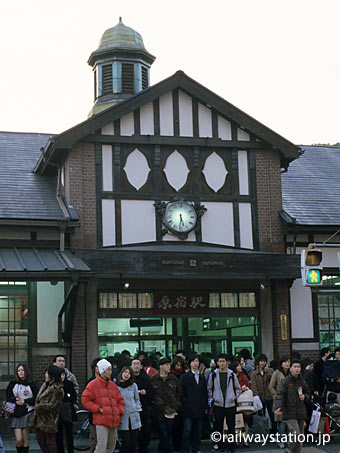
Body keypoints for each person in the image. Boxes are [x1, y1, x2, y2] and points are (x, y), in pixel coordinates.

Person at [82, 359, 125, 453]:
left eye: (110, 369)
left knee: (111, 446)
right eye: (108, 369)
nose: (111, 372)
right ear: (102, 370)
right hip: (101, 420)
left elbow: (120, 400)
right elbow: (85, 400)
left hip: (114, 419)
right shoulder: (92, 384)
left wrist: (119, 410)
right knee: (101, 447)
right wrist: (98, 409)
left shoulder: (113, 385)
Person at [207, 354, 241, 453]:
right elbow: (209, 388)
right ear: (217, 363)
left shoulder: (232, 374)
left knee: (231, 426)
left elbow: (238, 388)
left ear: (227, 362)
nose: (222, 363)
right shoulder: (213, 374)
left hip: (230, 404)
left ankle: (231, 445)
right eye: (220, 361)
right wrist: (213, 398)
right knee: (218, 426)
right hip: (218, 404)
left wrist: (234, 397)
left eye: (223, 361)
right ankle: (219, 444)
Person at [275, 359, 310, 453]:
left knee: (300, 438)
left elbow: (308, 394)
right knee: (297, 435)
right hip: (289, 411)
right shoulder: (285, 381)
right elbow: (280, 395)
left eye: (298, 367)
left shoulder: (302, 381)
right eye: (294, 367)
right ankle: (290, 450)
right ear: (290, 369)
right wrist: (279, 406)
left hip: (301, 411)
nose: (297, 369)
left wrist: (305, 397)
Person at [30, 365, 64, 453]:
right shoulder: (45, 385)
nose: (45, 375)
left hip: (49, 419)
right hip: (39, 419)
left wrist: (39, 407)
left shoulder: (58, 389)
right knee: (41, 441)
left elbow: (53, 405)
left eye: (47, 373)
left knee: (50, 442)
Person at [150, 357, 181, 453]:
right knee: (163, 434)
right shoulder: (153, 379)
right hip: (158, 410)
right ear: (160, 366)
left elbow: (178, 393)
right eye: (166, 365)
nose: (169, 367)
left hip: (171, 410)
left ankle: (163, 449)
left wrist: (176, 405)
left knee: (168, 433)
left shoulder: (173, 379)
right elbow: (151, 394)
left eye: (169, 364)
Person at [6, 363, 39, 453]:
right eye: (19, 371)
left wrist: (25, 401)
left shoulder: (32, 384)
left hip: (28, 412)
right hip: (16, 413)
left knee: (25, 439)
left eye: (22, 370)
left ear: (26, 371)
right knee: (18, 440)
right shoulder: (13, 384)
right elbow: (8, 397)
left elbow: (37, 398)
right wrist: (15, 399)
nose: (21, 372)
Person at [180, 354, 208, 453]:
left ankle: (196, 449)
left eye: (197, 361)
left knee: (198, 432)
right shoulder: (185, 377)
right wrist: (184, 405)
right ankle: (185, 450)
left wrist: (205, 407)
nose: (195, 363)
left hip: (199, 408)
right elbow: (181, 393)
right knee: (187, 431)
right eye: (193, 361)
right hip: (188, 408)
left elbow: (205, 393)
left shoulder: (201, 377)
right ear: (190, 363)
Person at [117, 366, 142, 453]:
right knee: (126, 442)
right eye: (125, 372)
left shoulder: (133, 385)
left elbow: (137, 399)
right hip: (122, 417)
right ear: (121, 373)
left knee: (134, 443)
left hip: (134, 416)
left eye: (129, 373)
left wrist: (137, 408)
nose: (127, 375)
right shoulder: (116, 386)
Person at [131, 358, 154, 453]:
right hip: (131, 409)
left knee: (145, 429)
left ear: (141, 366)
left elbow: (152, 392)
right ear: (131, 366)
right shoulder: (128, 377)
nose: (136, 366)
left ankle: (143, 447)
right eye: (134, 364)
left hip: (144, 408)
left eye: (138, 364)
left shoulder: (146, 378)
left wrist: (146, 392)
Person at [269, 356, 290, 449]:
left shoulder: (291, 372)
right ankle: (281, 440)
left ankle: (289, 441)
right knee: (282, 422)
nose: (287, 364)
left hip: (291, 400)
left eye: (288, 362)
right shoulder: (277, 373)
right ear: (281, 363)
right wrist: (276, 395)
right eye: (284, 362)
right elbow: (271, 386)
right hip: (280, 401)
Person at [229, 361, 251, 448]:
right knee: (237, 421)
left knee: (245, 421)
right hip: (234, 401)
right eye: (238, 365)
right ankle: (236, 441)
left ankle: (245, 441)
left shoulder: (244, 376)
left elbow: (248, 386)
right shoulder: (230, 377)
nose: (240, 367)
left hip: (244, 402)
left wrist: (245, 388)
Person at [251, 354, 275, 434]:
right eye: (261, 361)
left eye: (264, 361)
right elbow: (254, 386)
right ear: (258, 362)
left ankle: (273, 433)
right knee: (260, 417)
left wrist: (267, 372)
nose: (263, 363)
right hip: (260, 397)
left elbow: (273, 381)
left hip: (269, 397)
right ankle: (261, 434)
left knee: (272, 415)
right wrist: (256, 396)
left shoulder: (270, 371)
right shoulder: (254, 374)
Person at [56, 370, 77, 453]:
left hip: (68, 411)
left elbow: (73, 396)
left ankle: (70, 450)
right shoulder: (55, 385)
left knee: (69, 434)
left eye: (63, 375)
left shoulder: (69, 383)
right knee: (59, 434)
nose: (62, 377)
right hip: (58, 412)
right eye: (60, 375)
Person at [170, 356, 185, 452]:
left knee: (181, 427)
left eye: (180, 365)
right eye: (177, 365)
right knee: (173, 427)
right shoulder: (170, 375)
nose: (179, 367)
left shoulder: (184, 375)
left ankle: (179, 445)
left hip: (182, 403)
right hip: (172, 403)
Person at [85, 358, 101, 453]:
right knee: (94, 438)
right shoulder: (90, 382)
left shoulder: (108, 382)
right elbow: (86, 399)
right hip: (94, 414)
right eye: (97, 366)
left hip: (105, 415)